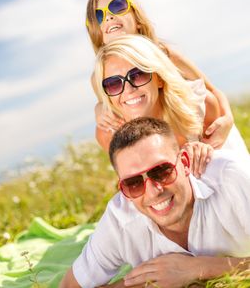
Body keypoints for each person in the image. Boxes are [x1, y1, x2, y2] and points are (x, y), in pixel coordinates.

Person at [60, 117, 250, 288]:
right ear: (123, 190)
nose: (153, 191)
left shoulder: (234, 179)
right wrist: (143, 283)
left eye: (161, 171)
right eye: (133, 183)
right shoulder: (119, 222)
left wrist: (200, 268)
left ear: (184, 163)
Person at [86, 0, 234, 149]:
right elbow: (111, 102)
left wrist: (227, 118)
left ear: (137, 20)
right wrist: (99, 109)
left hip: (193, 128)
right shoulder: (101, 76)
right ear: (98, 35)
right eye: (98, 16)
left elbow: (211, 90)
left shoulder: (166, 54)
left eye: (117, 6)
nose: (108, 17)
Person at [94, 34, 249, 171]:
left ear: (159, 78)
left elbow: (225, 173)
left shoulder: (201, 106)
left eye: (138, 74)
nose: (128, 89)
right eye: (113, 83)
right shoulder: (109, 133)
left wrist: (205, 154)